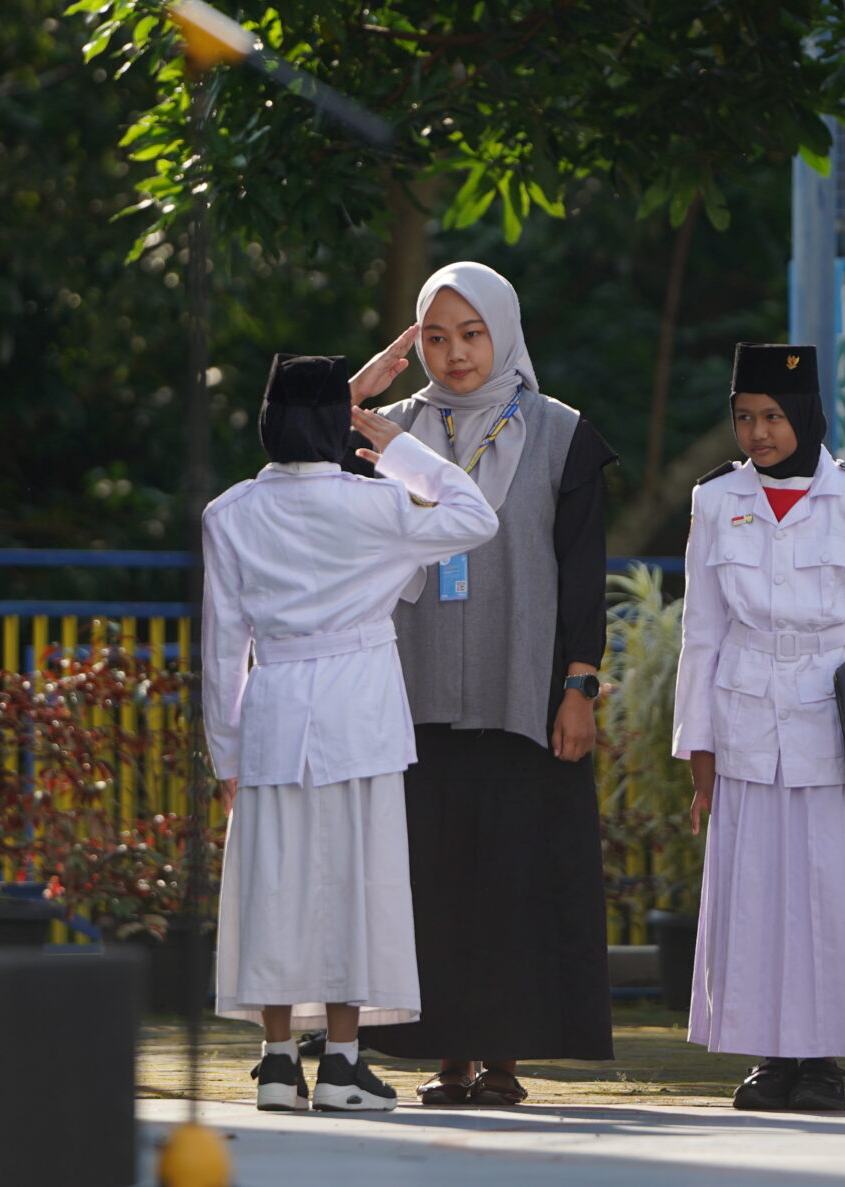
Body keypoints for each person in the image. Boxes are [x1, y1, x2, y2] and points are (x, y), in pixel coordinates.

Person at [350, 261, 620, 1106]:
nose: (455, 353)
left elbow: (582, 571)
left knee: (514, 875)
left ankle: (504, 1057)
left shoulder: (560, 432)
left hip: (522, 691)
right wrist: (355, 392)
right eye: (435, 336)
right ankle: (448, 1055)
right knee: (426, 879)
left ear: (503, 331)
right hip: (409, 691)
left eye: (471, 334)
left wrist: (579, 685)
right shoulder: (387, 430)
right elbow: (300, 467)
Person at [203, 352, 500, 1113]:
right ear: (340, 424)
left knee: (274, 884)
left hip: (272, 712)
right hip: (359, 712)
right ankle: (341, 1063)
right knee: (356, 882)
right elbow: (476, 516)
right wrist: (399, 449)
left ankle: (277, 1063)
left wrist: (224, 753)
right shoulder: (376, 503)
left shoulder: (229, 512)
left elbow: (222, 648)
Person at [673, 343, 845, 1114]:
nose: (759, 432)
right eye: (745, 416)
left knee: (830, 889)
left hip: (830, 719)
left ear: (807, 415)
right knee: (755, 892)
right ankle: (770, 1055)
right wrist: (697, 743)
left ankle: (824, 1061)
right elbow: (700, 632)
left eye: (774, 416)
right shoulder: (716, 498)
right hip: (745, 710)